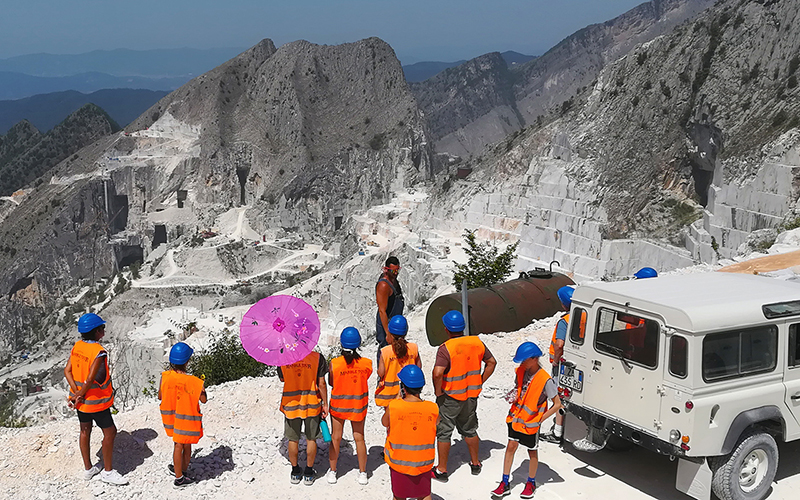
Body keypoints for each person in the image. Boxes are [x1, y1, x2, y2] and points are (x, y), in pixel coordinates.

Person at [431, 310, 497, 481]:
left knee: (444, 433)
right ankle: (475, 463)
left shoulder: (446, 348)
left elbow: (438, 373)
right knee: (470, 430)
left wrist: (438, 392)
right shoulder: (477, 342)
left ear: (446, 329)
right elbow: (492, 362)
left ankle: (442, 470)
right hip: (471, 396)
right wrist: (480, 381)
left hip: (450, 397)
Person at [64, 313, 128, 485]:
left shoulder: (77, 346)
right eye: (102, 328)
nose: (104, 331)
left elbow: (67, 371)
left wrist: (76, 394)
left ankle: (88, 469)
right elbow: (91, 379)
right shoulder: (98, 352)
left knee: (85, 431)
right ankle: (108, 472)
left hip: (81, 403)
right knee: (110, 432)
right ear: (96, 331)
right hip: (96, 401)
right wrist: (81, 394)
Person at [491, 342, 562, 499]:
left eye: (525, 360)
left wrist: (540, 419)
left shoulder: (545, 380)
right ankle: (505, 482)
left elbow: (557, 404)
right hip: (515, 418)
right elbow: (520, 390)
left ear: (535, 359)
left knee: (532, 451)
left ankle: (531, 482)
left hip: (531, 423)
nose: (522, 363)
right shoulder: (521, 371)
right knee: (510, 447)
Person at [383, 365, 439, 500]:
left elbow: (385, 422)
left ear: (403, 387)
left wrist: (397, 399)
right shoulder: (432, 408)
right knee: (424, 494)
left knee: (399, 495)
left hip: (399, 463)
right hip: (423, 462)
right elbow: (436, 423)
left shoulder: (394, 406)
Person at [327, 328, 373, 486]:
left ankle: (333, 471)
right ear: (358, 344)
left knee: (336, 437)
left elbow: (331, 382)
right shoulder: (367, 364)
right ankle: (363, 473)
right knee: (359, 438)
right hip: (358, 406)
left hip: (338, 406)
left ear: (341, 344)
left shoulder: (334, 364)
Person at [158, 342, 207, 487]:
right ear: (187, 361)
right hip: (186, 419)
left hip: (172, 418)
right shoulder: (194, 382)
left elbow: (160, 396)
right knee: (184, 445)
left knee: (178, 444)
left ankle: (180, 470)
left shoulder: (165, 377)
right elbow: (203, 400)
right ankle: (180, 477)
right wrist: (202, 387)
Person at [278, 349, 329, 485]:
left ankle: (295, 472)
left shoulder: (283, 357)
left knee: (293, 439)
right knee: (311, 438)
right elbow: (322, 383)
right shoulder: (317, 358)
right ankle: (308, 473)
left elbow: (282, 378)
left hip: (291, 403)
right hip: (311, 403)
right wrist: (325, 403)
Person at [375, 315, 422, 407]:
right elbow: (418, 367)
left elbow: (381, 373)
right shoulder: (413, 348)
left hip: (389, 395)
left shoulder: (385, 351)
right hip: (408, 392)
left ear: (390, 331)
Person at [376, 256, 404, 359]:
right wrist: (388, 333)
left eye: (397, 270)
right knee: (385, 352)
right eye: (393, 271)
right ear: (386, 270)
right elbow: (382, 311)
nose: (395, 273)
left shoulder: (394, 281)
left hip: (395, 323)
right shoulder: (384, 285)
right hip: (386, 324)